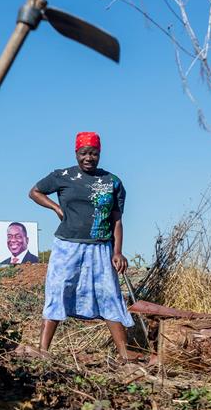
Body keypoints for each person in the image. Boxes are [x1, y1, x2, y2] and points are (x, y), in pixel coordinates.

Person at [22, 131, 134, 362]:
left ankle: (124, 353)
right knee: (58, 289)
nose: (88, 158)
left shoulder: (112, 182)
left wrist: (117, 251)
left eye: (93, 153)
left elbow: (117, 220)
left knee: (109, 294)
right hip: (67, 246)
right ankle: (43, 350)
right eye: (84, 153)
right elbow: (34, 192)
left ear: (99, 154)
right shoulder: (62, 176)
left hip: (101, 247)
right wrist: (56, 208)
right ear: (76, 153)